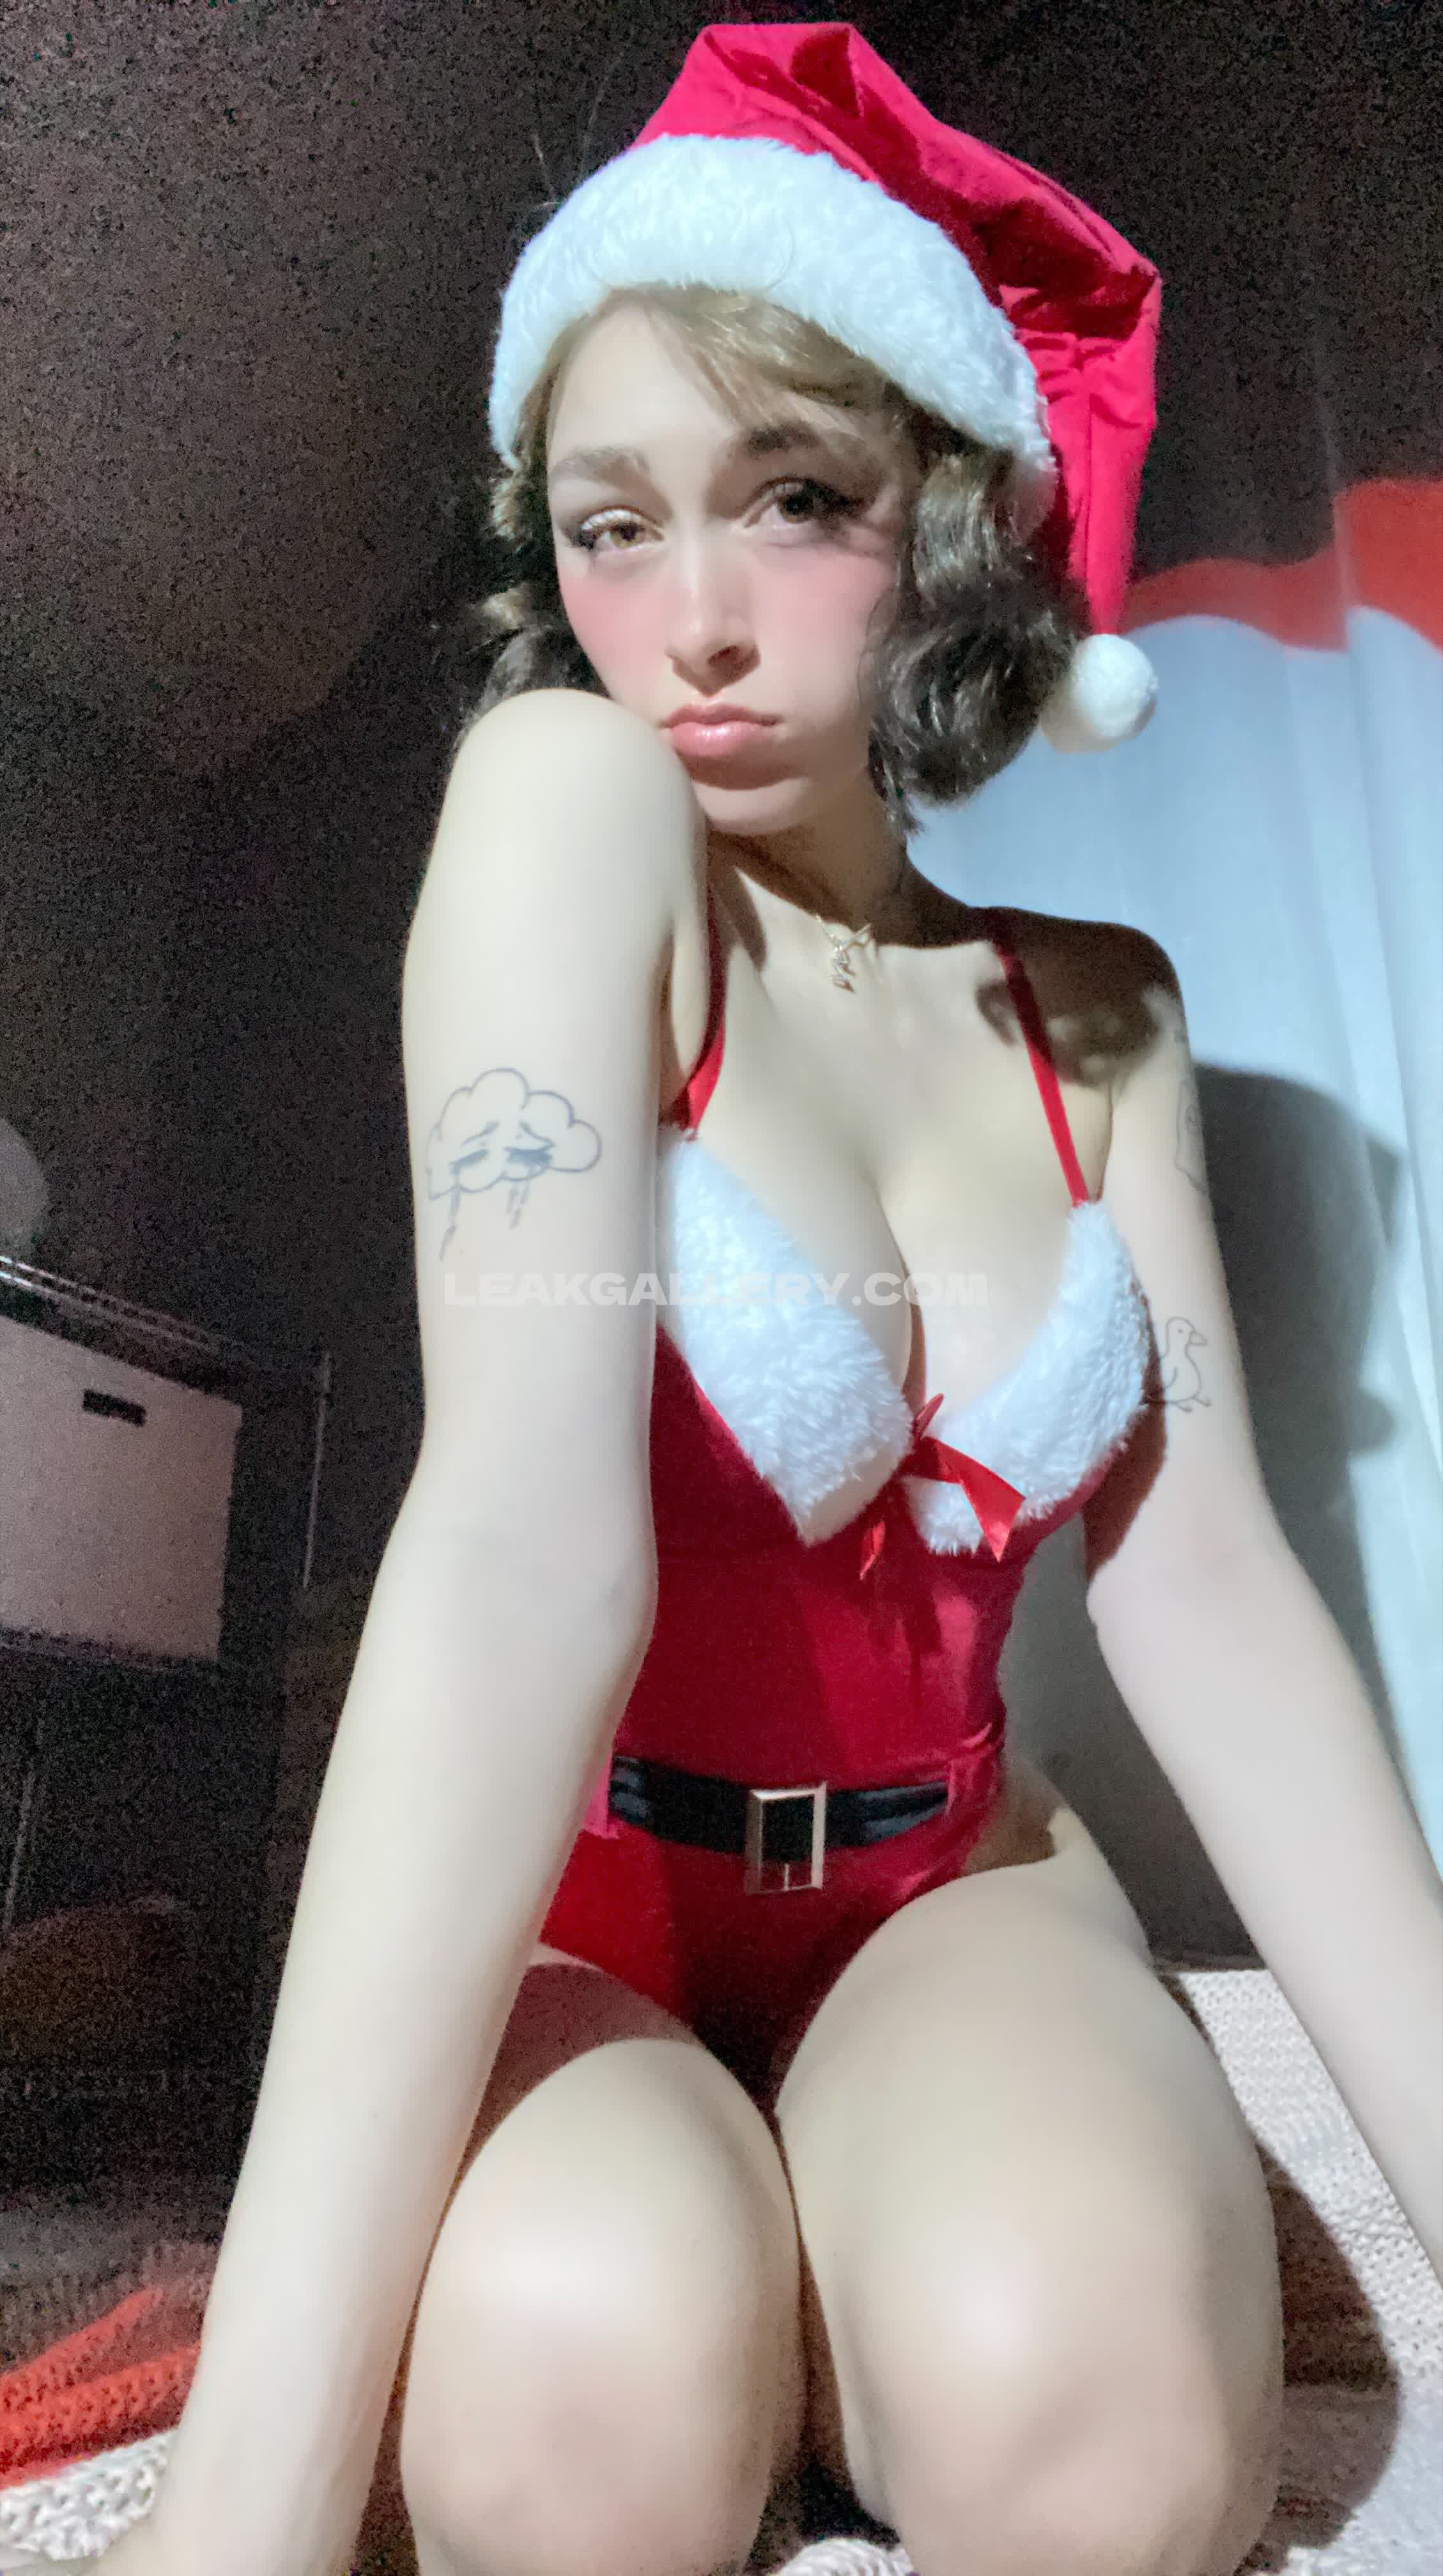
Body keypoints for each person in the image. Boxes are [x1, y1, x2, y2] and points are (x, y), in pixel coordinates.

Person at [52, 21, 1442, 2576]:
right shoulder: (568, 806)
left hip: (953, 1880)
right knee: (580, 2436)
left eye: (789, 499)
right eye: (610, 526)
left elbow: (1215, 1598)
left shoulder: (1097, 1012)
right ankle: (751, 2294)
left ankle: (855, 2280)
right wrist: (242, 2515)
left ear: (941, 516)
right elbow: (515, 1550)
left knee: (1104, 2443)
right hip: (595, 1887)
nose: (682, 623)